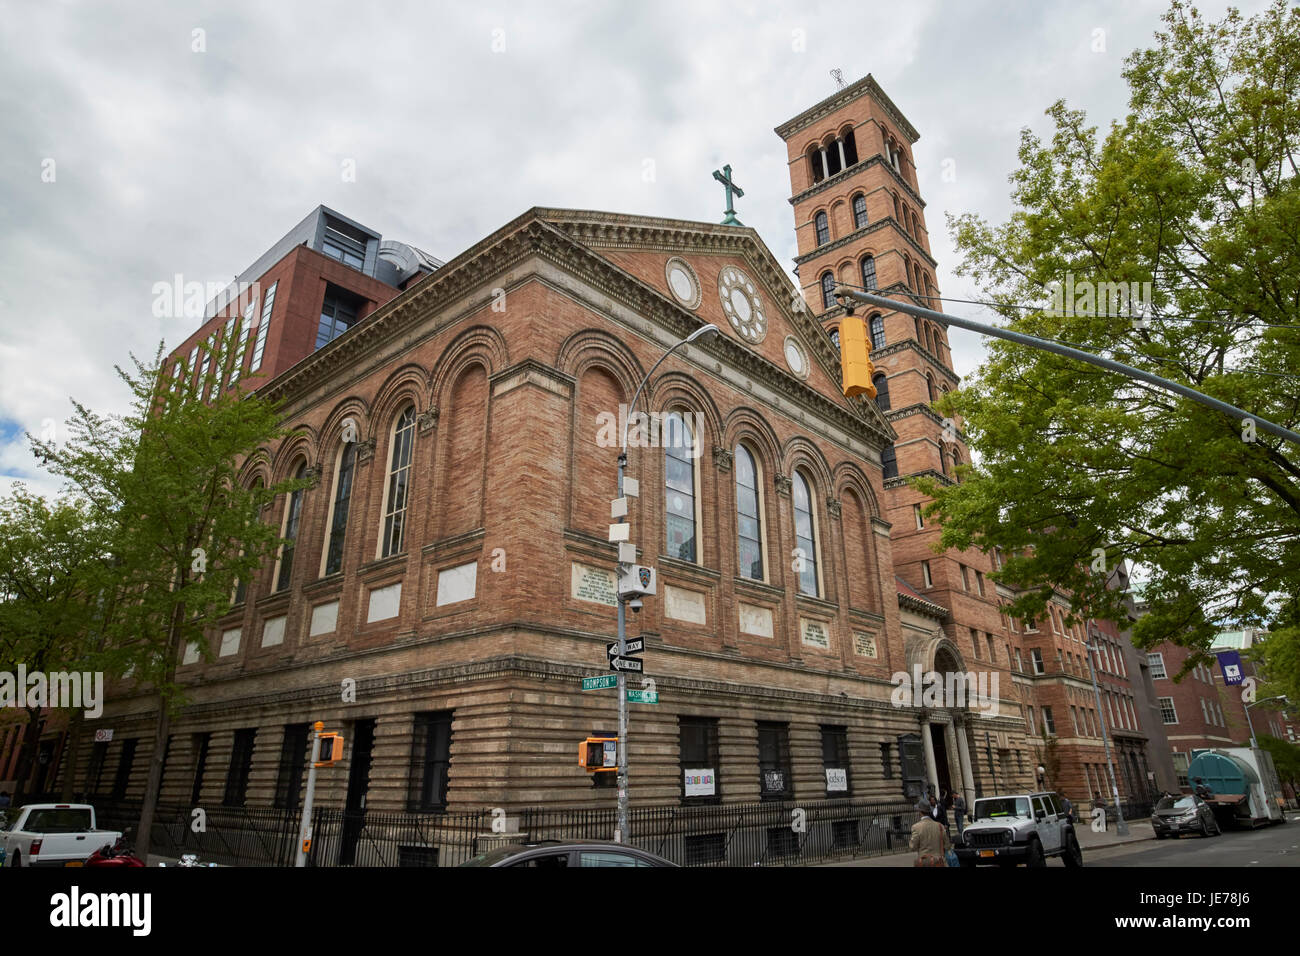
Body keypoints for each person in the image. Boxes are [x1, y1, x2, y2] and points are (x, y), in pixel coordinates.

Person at [910, 800, 950, 867]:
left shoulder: (916, 827)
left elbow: (913, 847)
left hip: (924, 862)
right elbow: (947, 845)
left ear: (919, 812)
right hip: (938, 861)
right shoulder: (940, 826)